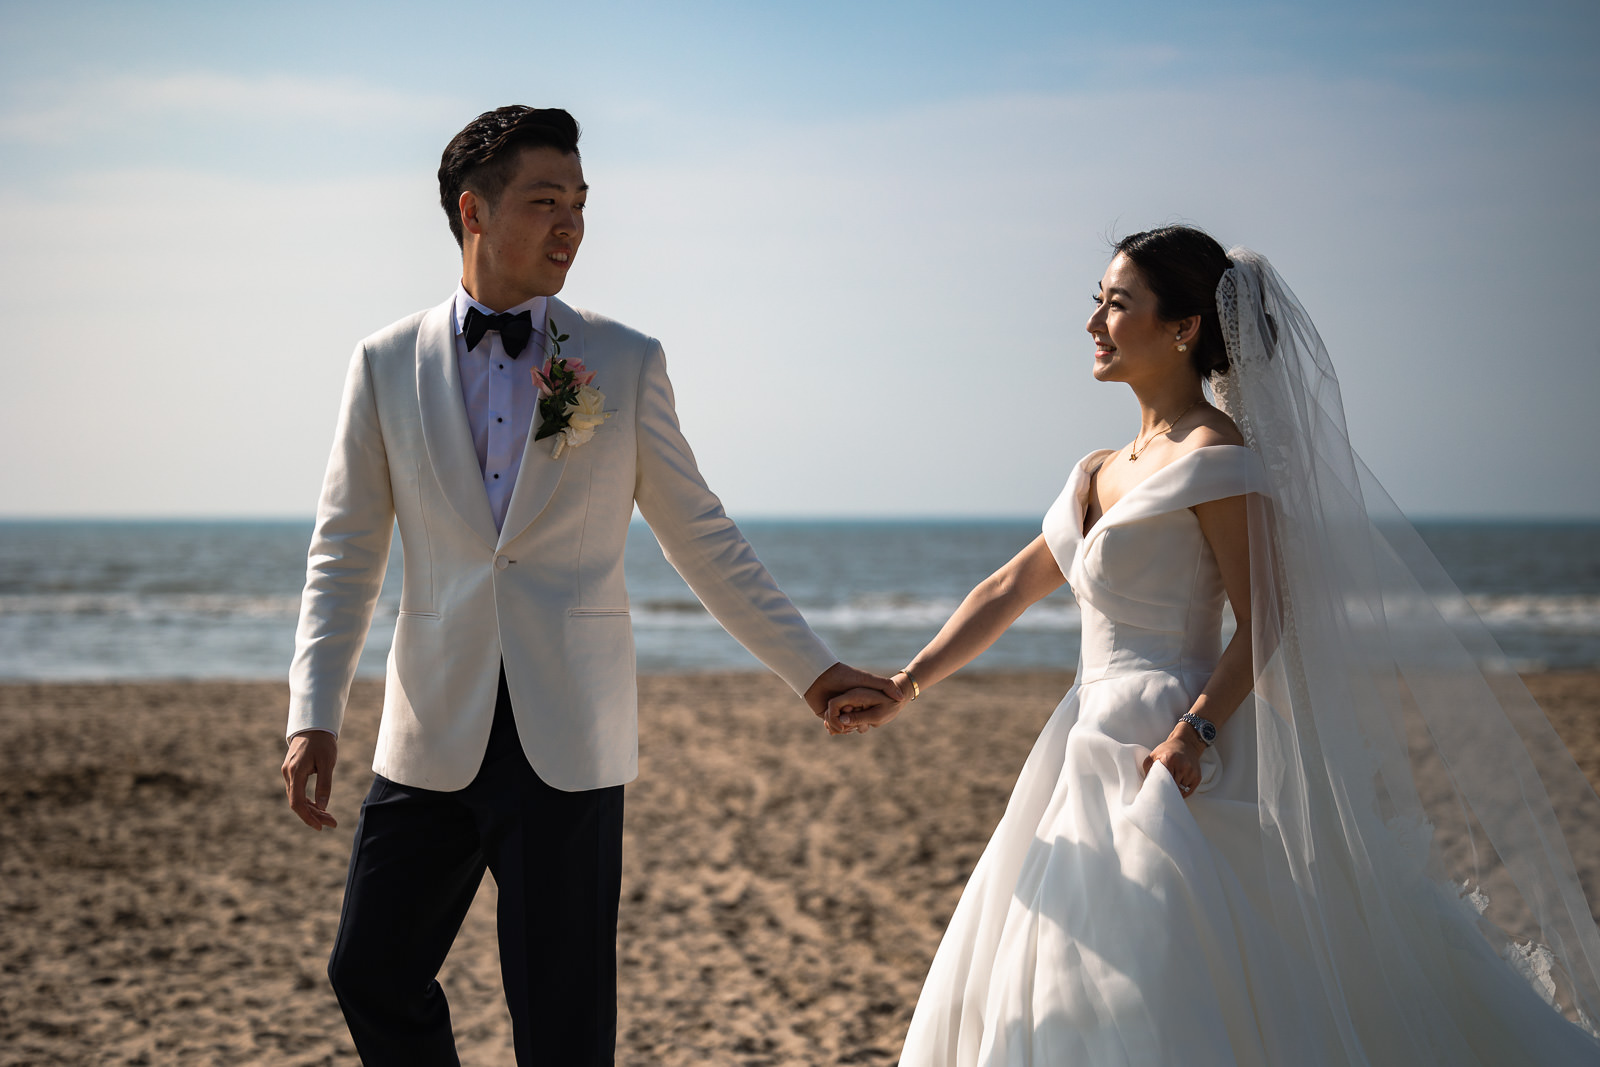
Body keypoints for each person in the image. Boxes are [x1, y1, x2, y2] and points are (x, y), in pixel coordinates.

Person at [826, 226, 1600, 1064]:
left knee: (1164, 960)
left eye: (1117, 304)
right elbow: (1009, 587)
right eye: (1097, 301)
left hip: (1178, 746)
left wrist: (1193, 734)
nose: (1093, 322)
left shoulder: (1216, 457)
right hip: (1082, 739)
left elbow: (1267, 618)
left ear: (1184, 326)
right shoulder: (1095, 469)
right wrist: (905, 682)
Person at [279, 105, 898, 1066]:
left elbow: (703, 535)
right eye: (544, 202)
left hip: (567, 737)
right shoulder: (383, 362)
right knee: (371, 971)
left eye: (580, 203)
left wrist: (810, 670)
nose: (570, 225)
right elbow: (345, 551)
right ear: (472, 212)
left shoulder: (620, 359)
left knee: (562, 1023)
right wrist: (313, 710)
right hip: (429, 728)